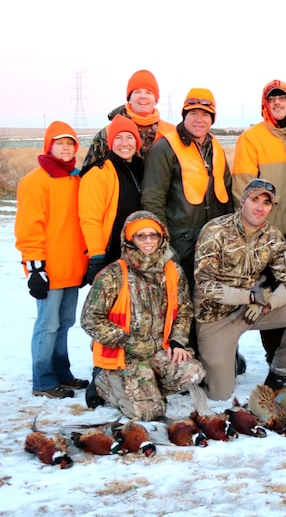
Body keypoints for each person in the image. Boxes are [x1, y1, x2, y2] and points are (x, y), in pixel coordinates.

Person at [141, 88, 241, 371]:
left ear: (212, 118)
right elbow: (152, 199)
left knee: (212, 302)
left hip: (212, 243)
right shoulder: (165, 148)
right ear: (184, 115)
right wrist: (161, 245)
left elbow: (227, 195)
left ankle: (217, 356)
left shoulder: (216, 148)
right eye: (193, 113)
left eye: (205, 114)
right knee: (179, 306)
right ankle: (181, 361)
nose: (199, 120)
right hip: (179, 242)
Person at [193, 179, 286, 403]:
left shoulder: (273, 236)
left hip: (252, 311)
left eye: (267, 203)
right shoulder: (215, 230)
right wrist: (250, 296)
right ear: (243, 201)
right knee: (220, 394)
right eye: (254, 200)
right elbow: (205, 285)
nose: (260, 207)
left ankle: (280, 375)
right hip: (215, 318)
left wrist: (267, 303)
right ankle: (228, 359)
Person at [80, 211, 208, 421]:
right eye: (141, 236)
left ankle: (147, 388)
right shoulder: (112, 274)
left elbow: (184, 310)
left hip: (159, 348)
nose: (148, 240)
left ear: (161, 237)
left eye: (153, 235)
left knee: (192, 372)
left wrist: (177, 342)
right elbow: (90, 319)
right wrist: (127, 342)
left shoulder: (173, 271)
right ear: (130, 239)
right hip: (124, 354)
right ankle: (104, 384)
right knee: (148, 413)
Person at [232, 80, 286, 367]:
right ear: (265, 105)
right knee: (270, 299)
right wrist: (257, 231)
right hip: (269, 237)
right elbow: (242, 189)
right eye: (272, 100)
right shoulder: (251, 139)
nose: (278, 104)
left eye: (283, 99)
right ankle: (275, 357)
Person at [14, 121, 89, 399]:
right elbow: (28, 229)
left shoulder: (76, 178)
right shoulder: (35, 182)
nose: (66, 148)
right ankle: (43, 380)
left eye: (70, 143)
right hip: (49, 269)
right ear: (49, 145)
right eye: (60, 143)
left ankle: (62, 373)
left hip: (73, 267)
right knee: (47, 325)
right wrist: (35, 268)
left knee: (65, 322)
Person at [79, 114, 145, 285]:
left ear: (137, 142)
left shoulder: (142, 170)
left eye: (130, 137)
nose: (125, 143)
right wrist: (97, 257)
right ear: (110, 142)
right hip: (111, 257)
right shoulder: (98, 173)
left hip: (140, 256)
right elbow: (90, 219)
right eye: (118, 138)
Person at [82, 69, 174, 171]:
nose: (143, 97)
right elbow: (89, 173)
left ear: (156, 99)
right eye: (137, 92)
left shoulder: (172, 133)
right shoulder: (107, 134)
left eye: (149, 92)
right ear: (129, 98)